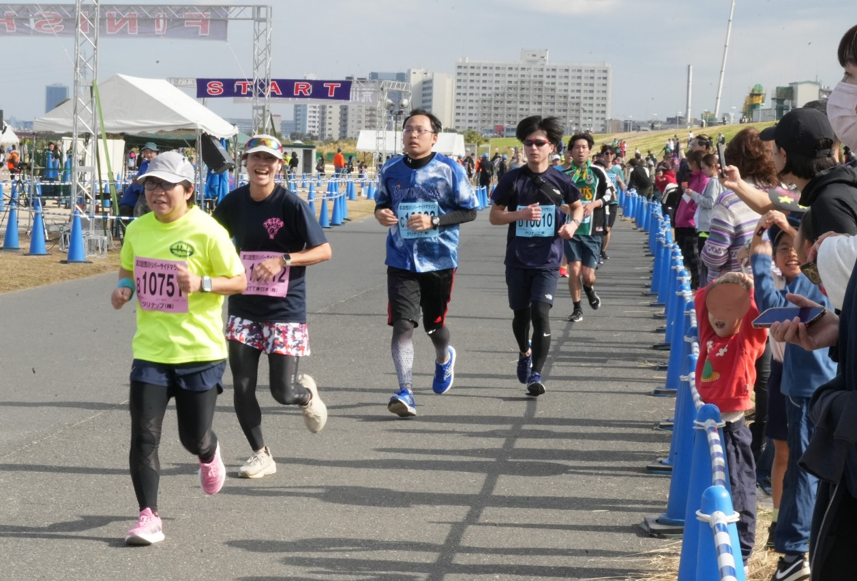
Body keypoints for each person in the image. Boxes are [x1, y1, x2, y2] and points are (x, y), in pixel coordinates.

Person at [110, 151, 247, 545]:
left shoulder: (208, 231)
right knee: (143, 436)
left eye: (166, 185)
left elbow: (238, 281)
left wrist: (202, 284)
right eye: (150, 184)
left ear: (187, 190)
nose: (156, 193)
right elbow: (127, 268)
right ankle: (148, 517)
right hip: (151, 351)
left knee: (193, 437)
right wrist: (125, 289)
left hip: (200, 353)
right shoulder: (138, 229)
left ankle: (208, 452)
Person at [212, 135, 332, 479]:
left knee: (282, 392)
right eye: (255, 158)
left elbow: (323, 250)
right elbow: (211, 237)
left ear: (279, 165)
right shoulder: (234, 202)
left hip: (284, 310)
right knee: (243, 385)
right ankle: (260, 454)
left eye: (269, 159)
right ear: (245, 163)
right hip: (244, 306)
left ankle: (306, 396)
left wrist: (285, 260)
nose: (261, 165)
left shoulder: (291, 204)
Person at [373, 109, 479, 417]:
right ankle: (405, 391)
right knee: (403, 325)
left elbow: (470, 210)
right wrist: (381, 213)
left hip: (439, 259)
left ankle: (444, 357)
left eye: (420, 130)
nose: (413, 135)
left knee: (434, 326)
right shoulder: (391, 168)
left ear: (434, 137)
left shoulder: (449, 168)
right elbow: (382, 203)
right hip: (401, 258)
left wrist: (435, 221)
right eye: (408, 130)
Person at [750, 212, 836, 580]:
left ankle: (795, 554)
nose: (790, 254)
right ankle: (796, 549)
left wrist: (759, 255)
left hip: (810, 389)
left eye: (795, 245)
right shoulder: (818, 280)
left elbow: (771, 309)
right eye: (781, 249)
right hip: (805, 386)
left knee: (805, 471)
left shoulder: (811, 283)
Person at [489, 116, 583, 396]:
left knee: (541, 313)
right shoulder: (512, 179)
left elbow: (577, 207)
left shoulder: (561, 179)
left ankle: (537, 374)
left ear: (551, 146)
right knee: (521, 316)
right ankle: (524, 351)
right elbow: (494, 216)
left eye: (538, 143)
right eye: (528, 143)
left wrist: (572, 225)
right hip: (517, 259)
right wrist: (520, 214)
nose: (532, 148)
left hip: (548, 260)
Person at [695, 272, 767, 568]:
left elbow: (755, 317)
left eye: (728, 311)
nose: (717, 318)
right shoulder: (709, 338)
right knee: (715, 481)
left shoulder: (743, 342)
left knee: (739, 486)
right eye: (716, 311)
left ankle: (743, 550)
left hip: (734, 427)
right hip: (712, 423)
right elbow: (701, 301)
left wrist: (747, 290)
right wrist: (719, 283)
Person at [562, 132, 615, 323]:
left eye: (584, 147)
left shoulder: (598, 172)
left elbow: (611, 194)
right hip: (572, 230)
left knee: (588, 275)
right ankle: (577, 308)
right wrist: (562, 205)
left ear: (590, 151)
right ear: (571, 151)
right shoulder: (564, 175)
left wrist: (594, 204)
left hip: (593, 230)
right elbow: (552, 197)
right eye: (577, 147)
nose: (580, 150)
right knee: (574, 271)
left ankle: (590, 289)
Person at [675, 150, 709, 289]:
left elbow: (699, 201)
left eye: (689, 161)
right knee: (686, 256)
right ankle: (693, 282)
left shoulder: (703, 180)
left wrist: (689, 214)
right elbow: (687, 198)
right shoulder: (692, 177)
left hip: (691, 224)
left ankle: (697, 284)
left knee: (694, 256)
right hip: (682, 222)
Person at [691, 153, 724, 285]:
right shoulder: (715, 181)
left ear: (712, 167)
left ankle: (705, 286)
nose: (702, 171)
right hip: (709, 224)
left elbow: (710, 202)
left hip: (707, 226)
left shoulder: (714, 182)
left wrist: (694, 195)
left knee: (705, 260)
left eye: (704, 168)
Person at [596, 146, 625, 261]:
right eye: (606, 153)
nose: (609, 156)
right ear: (602, 155)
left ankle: (603, 250)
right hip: (601, 202)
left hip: (612, 202)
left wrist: (619, 181)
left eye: (611, 154)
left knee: (607, 228)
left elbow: (623, 188)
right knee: (599, 227)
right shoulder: (598, 169)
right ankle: (597, 249)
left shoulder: (617, 170)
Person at [119, 143, 159, 219]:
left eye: (151, 152)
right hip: (143, 194)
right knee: (137, 212)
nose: (149, 154)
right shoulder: (144, 164)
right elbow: (139, 176)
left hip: (154, 194)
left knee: (152, 216)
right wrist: (136, 179)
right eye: (146, 152)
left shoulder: (160, 164)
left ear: (156, 152)